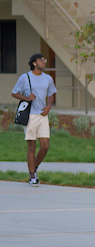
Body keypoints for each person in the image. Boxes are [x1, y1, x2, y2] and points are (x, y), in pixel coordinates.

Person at [11, 53, 57, 186]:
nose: (44, 62)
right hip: (30, 115)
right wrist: (27, 98)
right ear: (34, 63)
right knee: (31, 146)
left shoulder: (48, 78)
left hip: (43, 115)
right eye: (41, 60)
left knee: (45, 146)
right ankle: (32, 177)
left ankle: (34, 167)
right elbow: (14, 92)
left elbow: (52, 93)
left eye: (45, 60)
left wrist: (49, 106)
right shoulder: (25, 77)